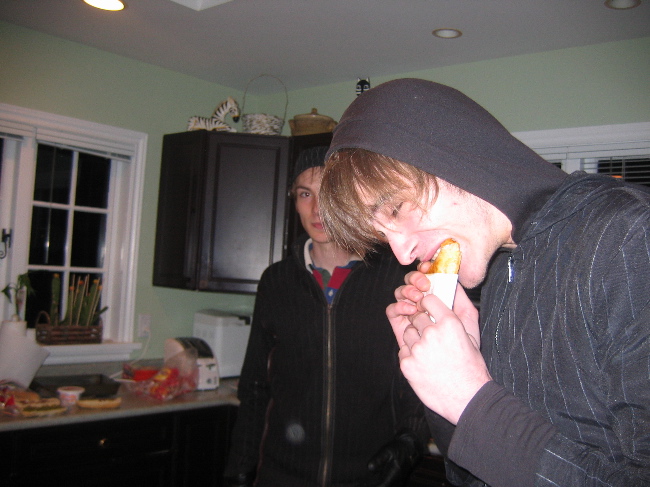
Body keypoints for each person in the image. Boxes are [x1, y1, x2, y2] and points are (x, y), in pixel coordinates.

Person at [318, 78, 650, 486]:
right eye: (384, 236)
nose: (402, 254)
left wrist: (472, 400)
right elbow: (474, 476)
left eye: (398, 209)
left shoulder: (629, 238)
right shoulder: (502, 273)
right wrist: (455, 377)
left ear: (453, 154)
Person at [224, 146, 429, 487]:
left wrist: (412, 438)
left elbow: (420, 372)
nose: (317, 209)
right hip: (282, 475)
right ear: (294, 200)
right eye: (306, 194)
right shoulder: (276, 282)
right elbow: (255, 386)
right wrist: (240, 468)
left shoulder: (396, 277)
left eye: (330, 194)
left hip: (371, 475)